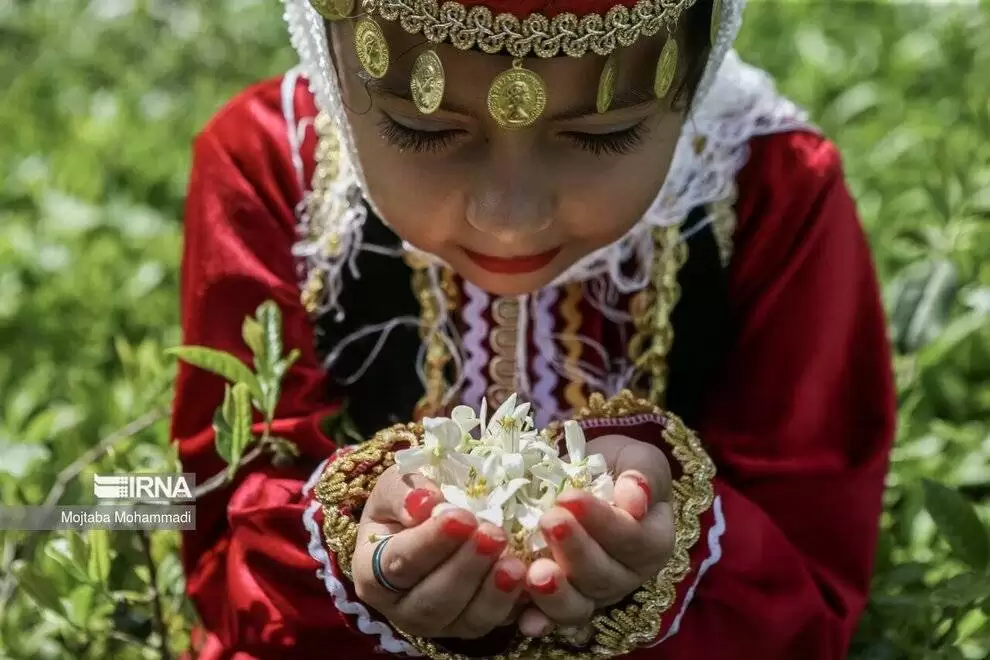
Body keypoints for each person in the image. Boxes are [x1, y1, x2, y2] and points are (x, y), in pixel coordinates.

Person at [170, 0, 896, 657]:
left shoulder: (771, 189)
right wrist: (351, 551)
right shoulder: (271, 167)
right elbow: (215, 531)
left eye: (602, 133)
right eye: (422, 127)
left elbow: (814, 570)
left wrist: (670, 548)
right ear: (331, 57)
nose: (509, 219)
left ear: (695, 72)